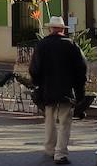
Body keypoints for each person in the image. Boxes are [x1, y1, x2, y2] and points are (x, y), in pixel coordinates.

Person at [28, 16, 87, 164]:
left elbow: (34, 69)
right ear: (62, 29)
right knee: (65, 122)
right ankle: (60, 154)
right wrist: (80, 91)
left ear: (50, 29)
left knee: (49, 120)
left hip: (47, 90)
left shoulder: (42, 45)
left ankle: (49, 149)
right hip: (66, 90)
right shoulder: (72, 45)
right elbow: (82, 69)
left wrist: (37, 84)